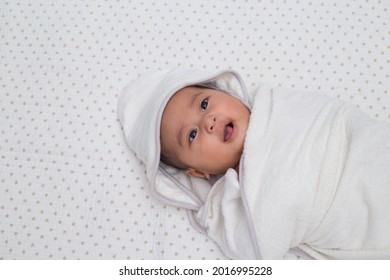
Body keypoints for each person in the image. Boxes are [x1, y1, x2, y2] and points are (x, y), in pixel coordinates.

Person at [118, 68, 390, 259]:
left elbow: (334, 120)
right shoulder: (241, 201)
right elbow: (256, 247)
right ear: (199, 172)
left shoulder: (277, 104)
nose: (208, 121)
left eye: (203, 104)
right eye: (192, 135)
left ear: (225, 91)